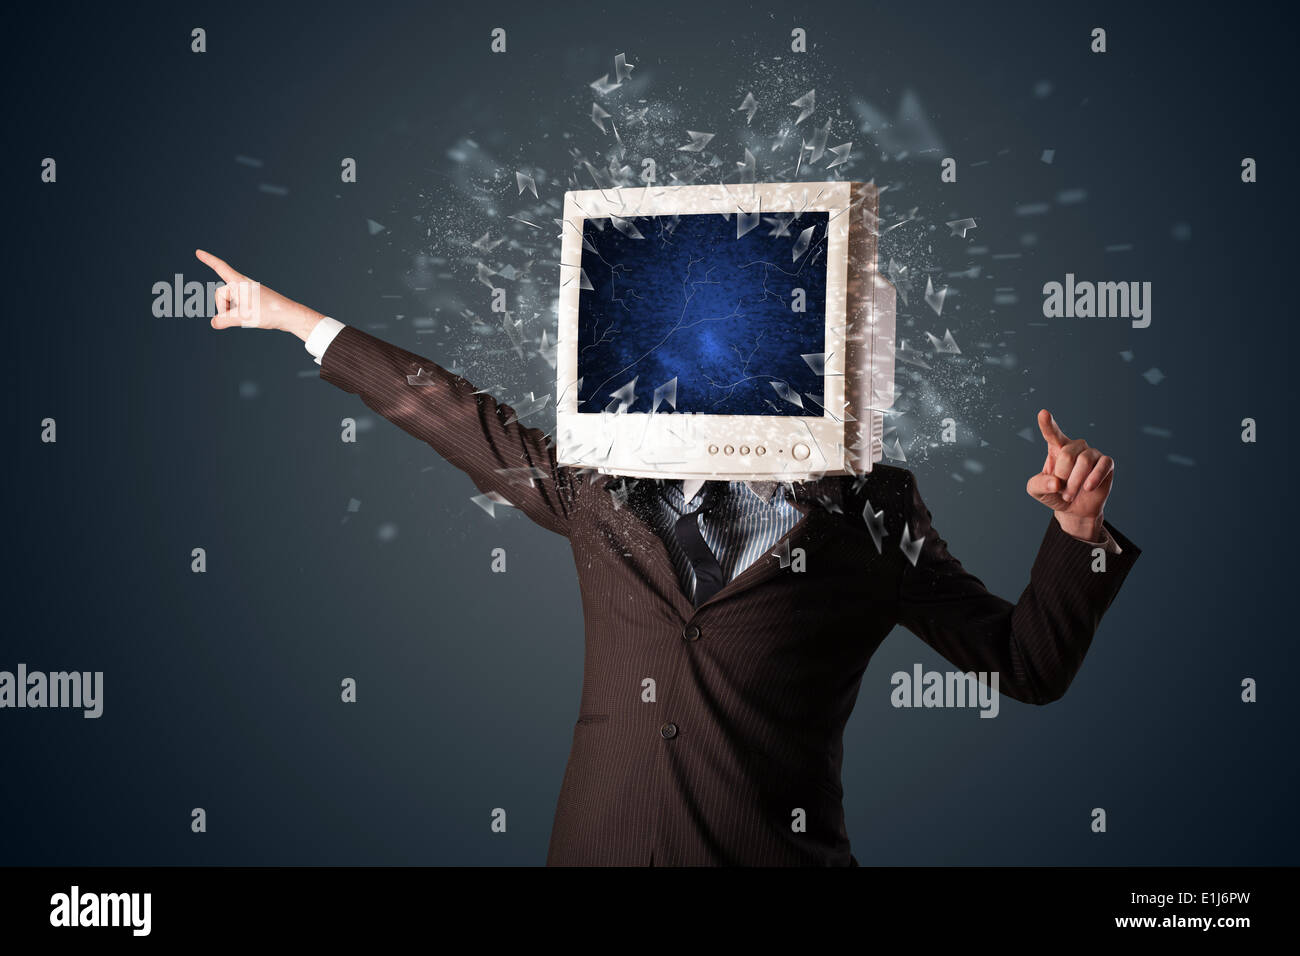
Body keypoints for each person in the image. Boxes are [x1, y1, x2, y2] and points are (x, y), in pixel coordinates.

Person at [196, 249, 1141, 866]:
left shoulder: (869, 510)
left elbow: (1025, 665)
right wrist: (295, 320)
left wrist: (1077, 537)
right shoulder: (604, 486)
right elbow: (452, 412)